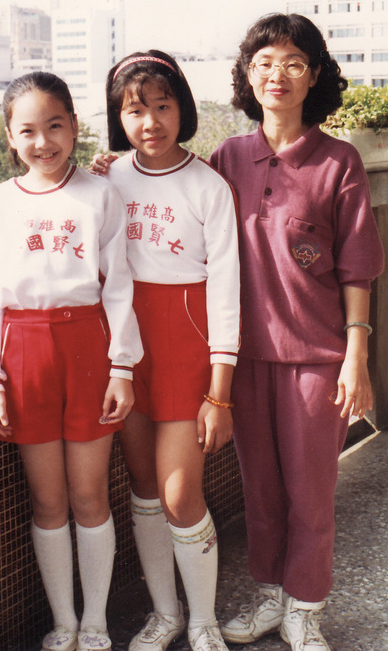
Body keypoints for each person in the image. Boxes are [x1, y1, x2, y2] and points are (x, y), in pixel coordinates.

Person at [208, 13, 384, 651]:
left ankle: (305, 609)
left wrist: (356, 357)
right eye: (263, 63)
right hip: (244, 357)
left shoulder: (339, 161)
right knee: (259, 490)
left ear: (314, 76)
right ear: (247, 76)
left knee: (311, 494)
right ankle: (268, 596)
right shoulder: (226, 159)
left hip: (317, 357)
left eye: (292, 63)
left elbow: (358, 269)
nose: (276, 75)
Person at [0, 72, 143, 651]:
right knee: (47, 500)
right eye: (28, 131)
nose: (43, 142)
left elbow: (119, 286)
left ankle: (96, 622)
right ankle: (64, 621)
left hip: (88, 345)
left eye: (55, 126)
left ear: (74, 125)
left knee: (89, 496)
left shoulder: (100, 194)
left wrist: (122, 367)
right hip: (25, 353)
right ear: (10, 136)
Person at [92, 51, 240, 651]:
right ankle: (165, 613)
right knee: (145, 486)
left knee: (180, 494)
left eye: (162, 105)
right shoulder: (107, 179)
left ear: (183, 108)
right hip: (126, 345)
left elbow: (227, 289)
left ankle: (203, 619)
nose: (150, 121)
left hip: (187, 345)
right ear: (117, 118)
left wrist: (220, 392)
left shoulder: (210, 186)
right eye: (135, 111)